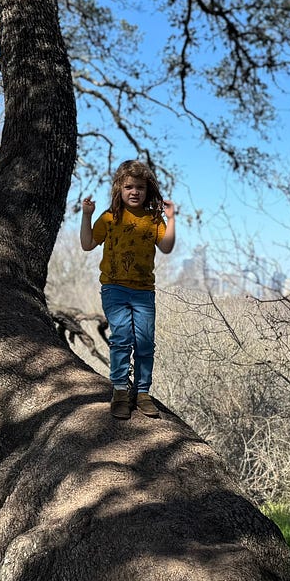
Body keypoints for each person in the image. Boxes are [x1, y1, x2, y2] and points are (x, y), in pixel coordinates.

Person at [79, 159, 177, 419]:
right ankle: (120, 391)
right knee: (122, 338)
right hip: (114, 288)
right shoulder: (110, 217)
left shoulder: (153, 219)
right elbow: (87, 244)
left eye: (140, 187)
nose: (135, 192)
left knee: (145, 343)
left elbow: (166, 247)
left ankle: (143, 393)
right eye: (129, 187)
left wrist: (170, 218)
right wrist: (86, 215)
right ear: (119, 189)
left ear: (148, 190)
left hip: (144, 291)